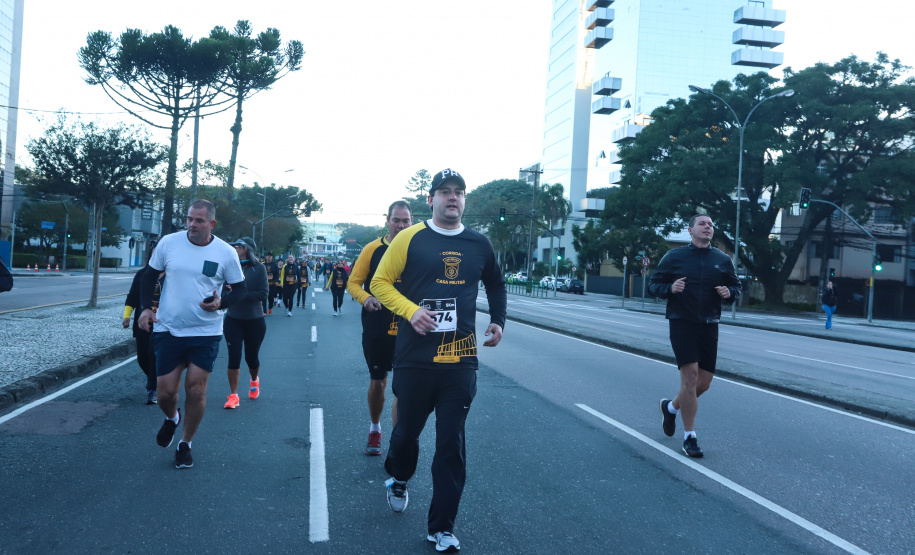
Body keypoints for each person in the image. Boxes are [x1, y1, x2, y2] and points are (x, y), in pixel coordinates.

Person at [371, 168, 507, 552]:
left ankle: (441, 528)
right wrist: (411, 310)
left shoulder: (479, 243)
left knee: (451, 444)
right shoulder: (411, 238)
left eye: (459, 192)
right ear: (430, 199)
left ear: (465, 200)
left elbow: (495, 283)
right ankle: (398, 477)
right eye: (444, 192)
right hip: (416, 357)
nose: (452, 198)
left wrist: (498, 321)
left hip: (460, 359)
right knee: (406, 436)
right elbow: (379, 283)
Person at [138, 200, 247, 469]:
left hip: (205, 331)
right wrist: (145, 309)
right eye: (189, 219)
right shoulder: (169, 243)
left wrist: (222, 303)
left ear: (211, 224)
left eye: (199, 221)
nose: (192, 225)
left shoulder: (225, 252)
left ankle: (185, 443)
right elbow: (148, 276)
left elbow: (240, 290)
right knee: (165, 393)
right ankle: (172, 418)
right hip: (168, 328)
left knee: (196, 390)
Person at [649, 214, 741, 459]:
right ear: (690, 230)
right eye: (702, 223)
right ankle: (690, 437)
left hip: (709, 324)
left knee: (703, 383)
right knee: (689, 378)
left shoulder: (723, 260)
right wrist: (670, 288)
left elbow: (737, 288)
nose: (708, 227)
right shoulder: (674, 257)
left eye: (711, 224)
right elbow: (653, 284)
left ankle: (670, 407)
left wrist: (728, 292)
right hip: (682, 322)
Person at [347, 200, 412, 456]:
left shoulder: (417, 247)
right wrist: (366, 298)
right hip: (378, 328)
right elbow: (353, 282)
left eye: (406, 220)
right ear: (387, 221)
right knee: (379, 382)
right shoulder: (373, 249)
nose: (401, 225)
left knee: (404, 385)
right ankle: (375, 428)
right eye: (396, 220)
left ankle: (398, 439)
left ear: (412, 221)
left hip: (409, 328)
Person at [223, 237, 269, 409]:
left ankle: (254, 380)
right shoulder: (230, 267)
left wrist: (240, 293)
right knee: (234, 357)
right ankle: (233, 395)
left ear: (246, 249)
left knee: (251, 358)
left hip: (254, 320)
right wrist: (227, 294)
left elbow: (263, 294)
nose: (234, 249)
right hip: (233, 319)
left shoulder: (259, 269)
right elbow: (223, 291)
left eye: (238, 246)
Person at [123, 247, 161, 405]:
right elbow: (132, 298)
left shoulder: (171, 276)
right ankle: (158, 379)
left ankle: (152, 389)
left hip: (162, 325)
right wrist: (127, 317)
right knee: (142, 358)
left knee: (153, 355)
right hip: (143, 323)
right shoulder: (142, 275)